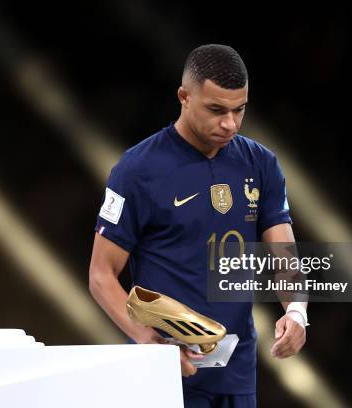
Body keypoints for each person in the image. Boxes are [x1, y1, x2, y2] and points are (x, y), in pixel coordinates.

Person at [89, 44, 307, 407]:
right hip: (163, 374)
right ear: (184, 97)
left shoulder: (262, 165)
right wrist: (147, 340)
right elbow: (101, 274)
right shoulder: (137, 170)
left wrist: (297, 312)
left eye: (240, 110)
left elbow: (284, 253)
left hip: (237, 375)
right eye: (216, 110)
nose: (230, 124)